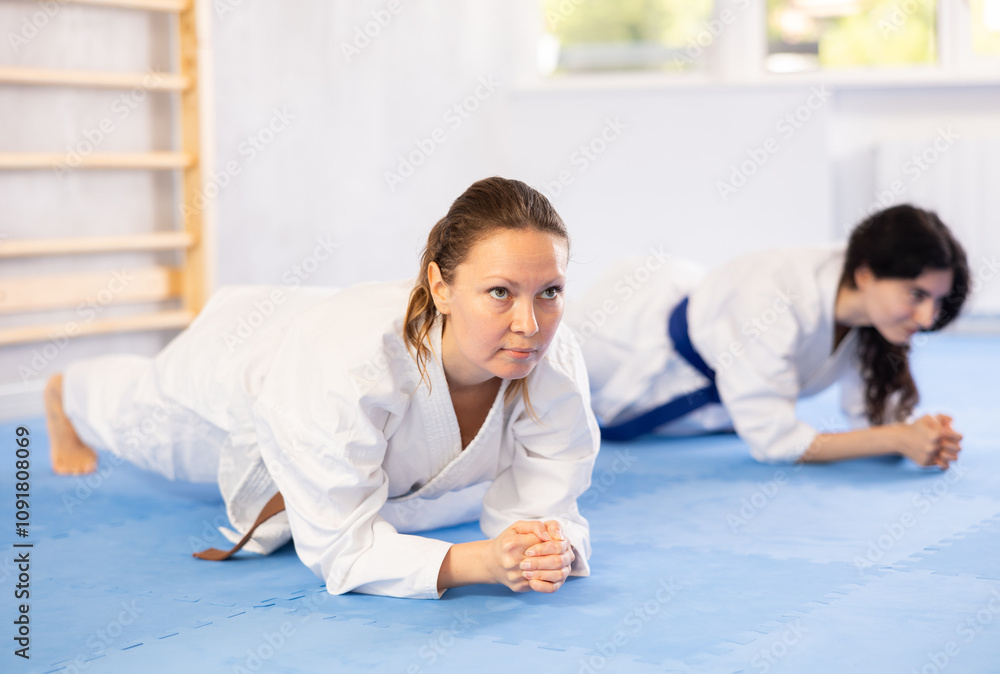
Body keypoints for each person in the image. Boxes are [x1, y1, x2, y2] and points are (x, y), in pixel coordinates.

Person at [44, 177, 600, 599]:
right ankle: (64, 393)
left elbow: (548, 501)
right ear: (441, 286)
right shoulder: (351, 368)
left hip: (336, 352)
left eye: (549, 291)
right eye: (500, 292)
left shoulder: (553, 359)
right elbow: (342, 549)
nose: (530, 324)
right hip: (248, 374)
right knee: (140, 425)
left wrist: (540, 549)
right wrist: (480, 562)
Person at [566, 204, 969, 469]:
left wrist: (922, 437)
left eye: (937, 300)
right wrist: (898, 438)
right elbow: (774, 443)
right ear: (866, 275)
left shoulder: (871, 310)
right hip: (627, 341)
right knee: (543, 387)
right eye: (917, 295)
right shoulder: (773, 298)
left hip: (718, 380)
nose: (928, 317)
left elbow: (869, 422)